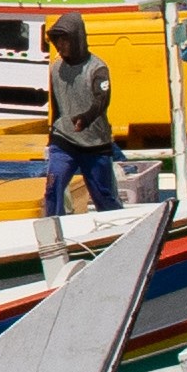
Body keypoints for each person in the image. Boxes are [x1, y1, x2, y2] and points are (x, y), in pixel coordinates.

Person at [37, 14, 125, 221]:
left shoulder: (97, 68)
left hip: (94, 143)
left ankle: (116, 229)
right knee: (53, 188)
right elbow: (56, 105)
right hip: (64, 140)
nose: (60, 45)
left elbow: (102, 100)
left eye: (64, 39)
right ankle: (54, 233)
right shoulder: (56, 67)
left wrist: (85, 118)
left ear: (77, 39)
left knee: (103, 196)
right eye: (56, 40)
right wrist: (52, 136)